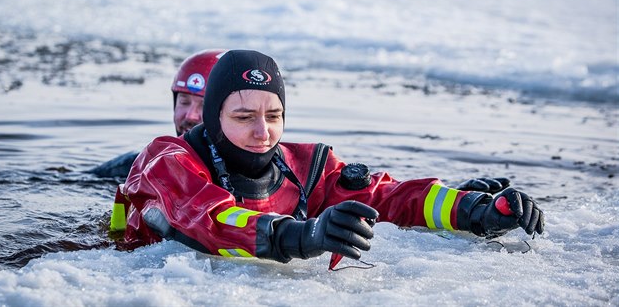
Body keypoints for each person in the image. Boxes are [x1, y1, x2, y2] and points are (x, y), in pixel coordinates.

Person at [112, 50, 544, 264]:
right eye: (243, 116)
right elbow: (208, 220)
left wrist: (473, 209)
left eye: (274, 115)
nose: (263, 132)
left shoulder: (305, 167)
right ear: (214, 115)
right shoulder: (166, 160)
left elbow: (389, 196)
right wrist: (302, 237)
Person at [90, 49, 226, 178]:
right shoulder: (141, 166)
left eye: (203, 105)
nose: (190, 115)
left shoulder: (244, 176)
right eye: (184, 102)